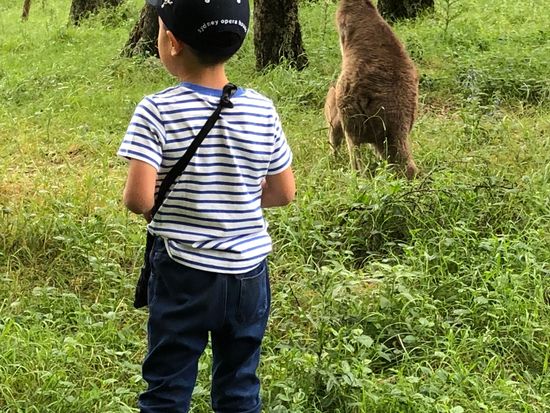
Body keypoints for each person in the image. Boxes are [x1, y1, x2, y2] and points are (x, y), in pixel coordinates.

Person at [117, 0, 295, 412]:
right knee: (239, 387)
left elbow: (138, 200)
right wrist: (237, 198)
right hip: (249, 274)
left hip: (183, 272)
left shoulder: (156, 110)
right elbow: (283, 193)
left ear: (172, 42)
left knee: (168, 387)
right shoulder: (262, 109)